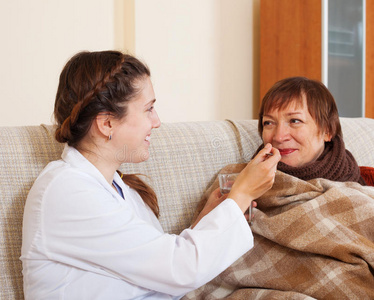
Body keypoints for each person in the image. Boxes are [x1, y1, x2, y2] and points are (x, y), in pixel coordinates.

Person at [20, 50, 280, 300]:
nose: (156, 121)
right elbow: (178, 270)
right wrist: (242, 194)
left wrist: (206, 221)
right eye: (148, 109)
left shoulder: (118, 188)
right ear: (107, 123)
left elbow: (160, 272)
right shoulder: (66, 190)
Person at [186, 77, 374, 299]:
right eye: (269, 123)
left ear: (327, 130)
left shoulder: (360, 183)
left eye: (294, 121)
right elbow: (196, 253)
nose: (278, 136)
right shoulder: (235, 179)